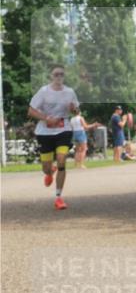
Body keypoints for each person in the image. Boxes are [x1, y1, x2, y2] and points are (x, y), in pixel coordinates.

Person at [27, 65, 79, 210]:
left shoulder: (70, 92)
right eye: (56, 74)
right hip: (45, 132)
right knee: (46, 168)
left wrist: (74, 109)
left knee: (62, 159)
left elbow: (76, 111)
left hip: (64, 130)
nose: (59, 77)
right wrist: (46, 118)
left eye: (61, 74)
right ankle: (49, 172)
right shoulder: (44, 92)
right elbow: (31, 111)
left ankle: (58, 197)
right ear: (51, 76)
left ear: (64, 76)